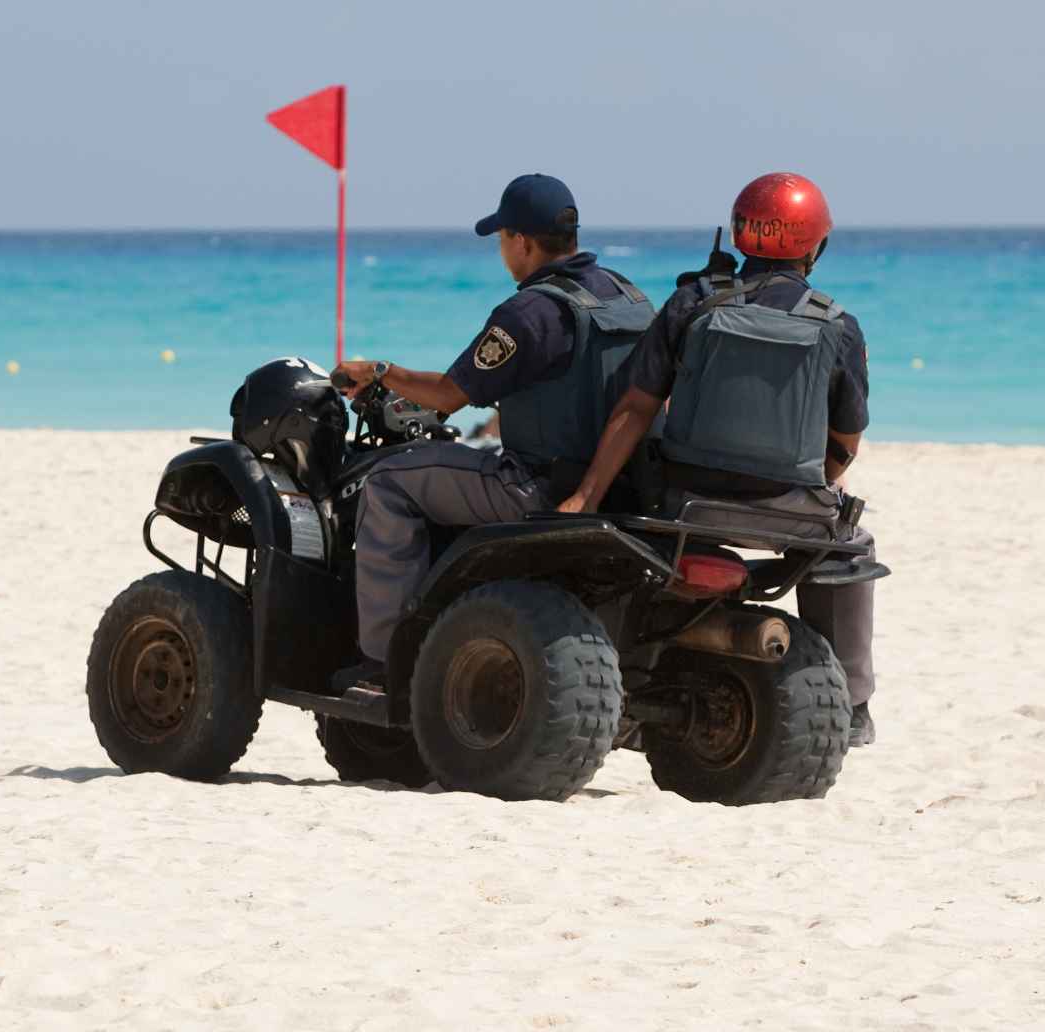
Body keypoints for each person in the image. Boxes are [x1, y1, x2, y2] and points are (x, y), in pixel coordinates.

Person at [557, 172, 881, 747]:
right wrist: (814, 486)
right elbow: (847, 442)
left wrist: (584, 498)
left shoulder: (693, 302)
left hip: (686, 500)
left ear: (739, 236)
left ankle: (621, 672)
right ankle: (852, 708)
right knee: (851, 548)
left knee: (622, 521)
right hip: (796, 508)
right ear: (816, 246)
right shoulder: (838, 326)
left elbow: (634, 408)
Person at [328, 173, 654, 691]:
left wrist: (379, 372)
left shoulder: (531, 312)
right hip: (619, 487)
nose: (502, 251)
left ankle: (386, 661)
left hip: (534, 487)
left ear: (522, 241)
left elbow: (450, 395)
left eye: (502, 239)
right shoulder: (629, 297)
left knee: (387, 481)